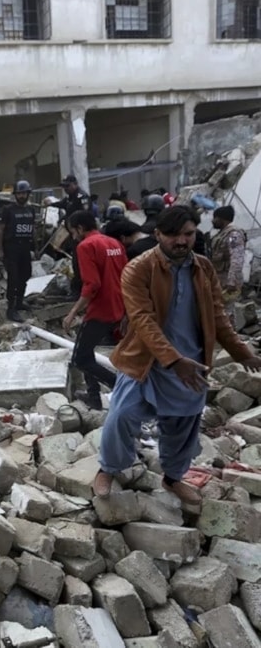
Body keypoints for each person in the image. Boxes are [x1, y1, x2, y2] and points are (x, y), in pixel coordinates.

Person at [94, 205, 261, 505]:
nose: (181, 241)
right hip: (145, 361)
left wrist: (240, 351)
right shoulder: (138, 269)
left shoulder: (204, 268)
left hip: (191, 361)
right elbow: (142, 320)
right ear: (157, 234)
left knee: (183, 426)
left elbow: (217, 315)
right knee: (121, 416)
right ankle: (108, 468)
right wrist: (173, 360)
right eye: (173, 235)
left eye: (189, 234)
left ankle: (173, 477)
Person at [62, 211, 127, 410]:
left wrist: (73, 312)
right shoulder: (114, 243)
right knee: (87, 353)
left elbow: (92, 284)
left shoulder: (85, 246)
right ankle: (94, 397)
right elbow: (127, 275)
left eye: (73, 232)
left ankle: (121, 387)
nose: (73, 237)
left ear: (80, 228)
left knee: (80, 358)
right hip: (118, 305)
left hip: (100, 309)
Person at [0, 181, 36, 322]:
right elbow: (1, 229)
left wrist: (34, 248)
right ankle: (11, 309)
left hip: (25, 249)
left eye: (24, 193)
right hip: (11, 249)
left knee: (25, 275)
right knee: (13, 279)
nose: (21, 196)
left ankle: (19, 302)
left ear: (28, 194)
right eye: (19, 193)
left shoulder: (31, 210)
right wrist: (0, 250)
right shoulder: (8, 210)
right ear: (15, 195)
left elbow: (33, 229)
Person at [210, 205, 247, 324]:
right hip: (220, 278)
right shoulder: (222, 234)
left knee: (227, 311)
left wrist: (232, 281)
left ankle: (230, 337)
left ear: (222, 219)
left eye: (215, 218)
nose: (213, 220)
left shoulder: (233, 235)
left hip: (227, 280)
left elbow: (237, 259)